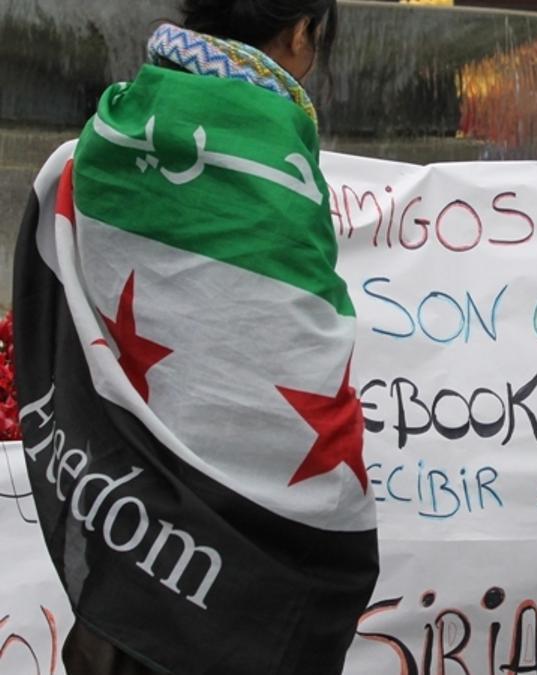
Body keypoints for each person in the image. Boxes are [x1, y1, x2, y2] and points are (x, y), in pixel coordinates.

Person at [12, 1, 379, 673]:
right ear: (301, 32)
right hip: (239, 607)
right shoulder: (278, 165)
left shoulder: (105, 135)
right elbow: (303, 364)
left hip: (120, 565)